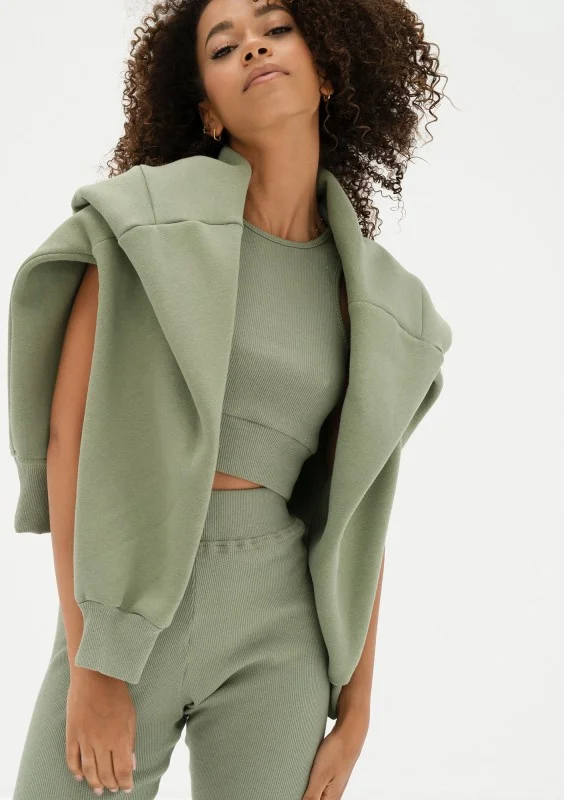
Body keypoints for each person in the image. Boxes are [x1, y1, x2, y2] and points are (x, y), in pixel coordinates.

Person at [9, 0, 451, 797]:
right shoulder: (142, 227)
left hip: (280, 631)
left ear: (327, 72)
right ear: (208, 110)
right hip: (126, 622)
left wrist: (357, 709)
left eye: (276, 29)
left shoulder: (372, 298)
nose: (253, 48)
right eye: (224, 46)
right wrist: (90, 662)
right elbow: (70, 439)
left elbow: (357, 510)